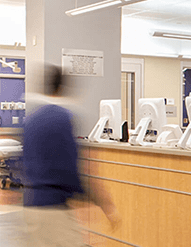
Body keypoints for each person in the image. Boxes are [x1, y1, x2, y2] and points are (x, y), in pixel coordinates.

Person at [23, 65, 119, 247]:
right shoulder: (63, 119)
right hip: (54, 209)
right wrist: (104, 205)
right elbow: (72, 169)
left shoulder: (31, 119)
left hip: (31, 206)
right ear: (62, 88)